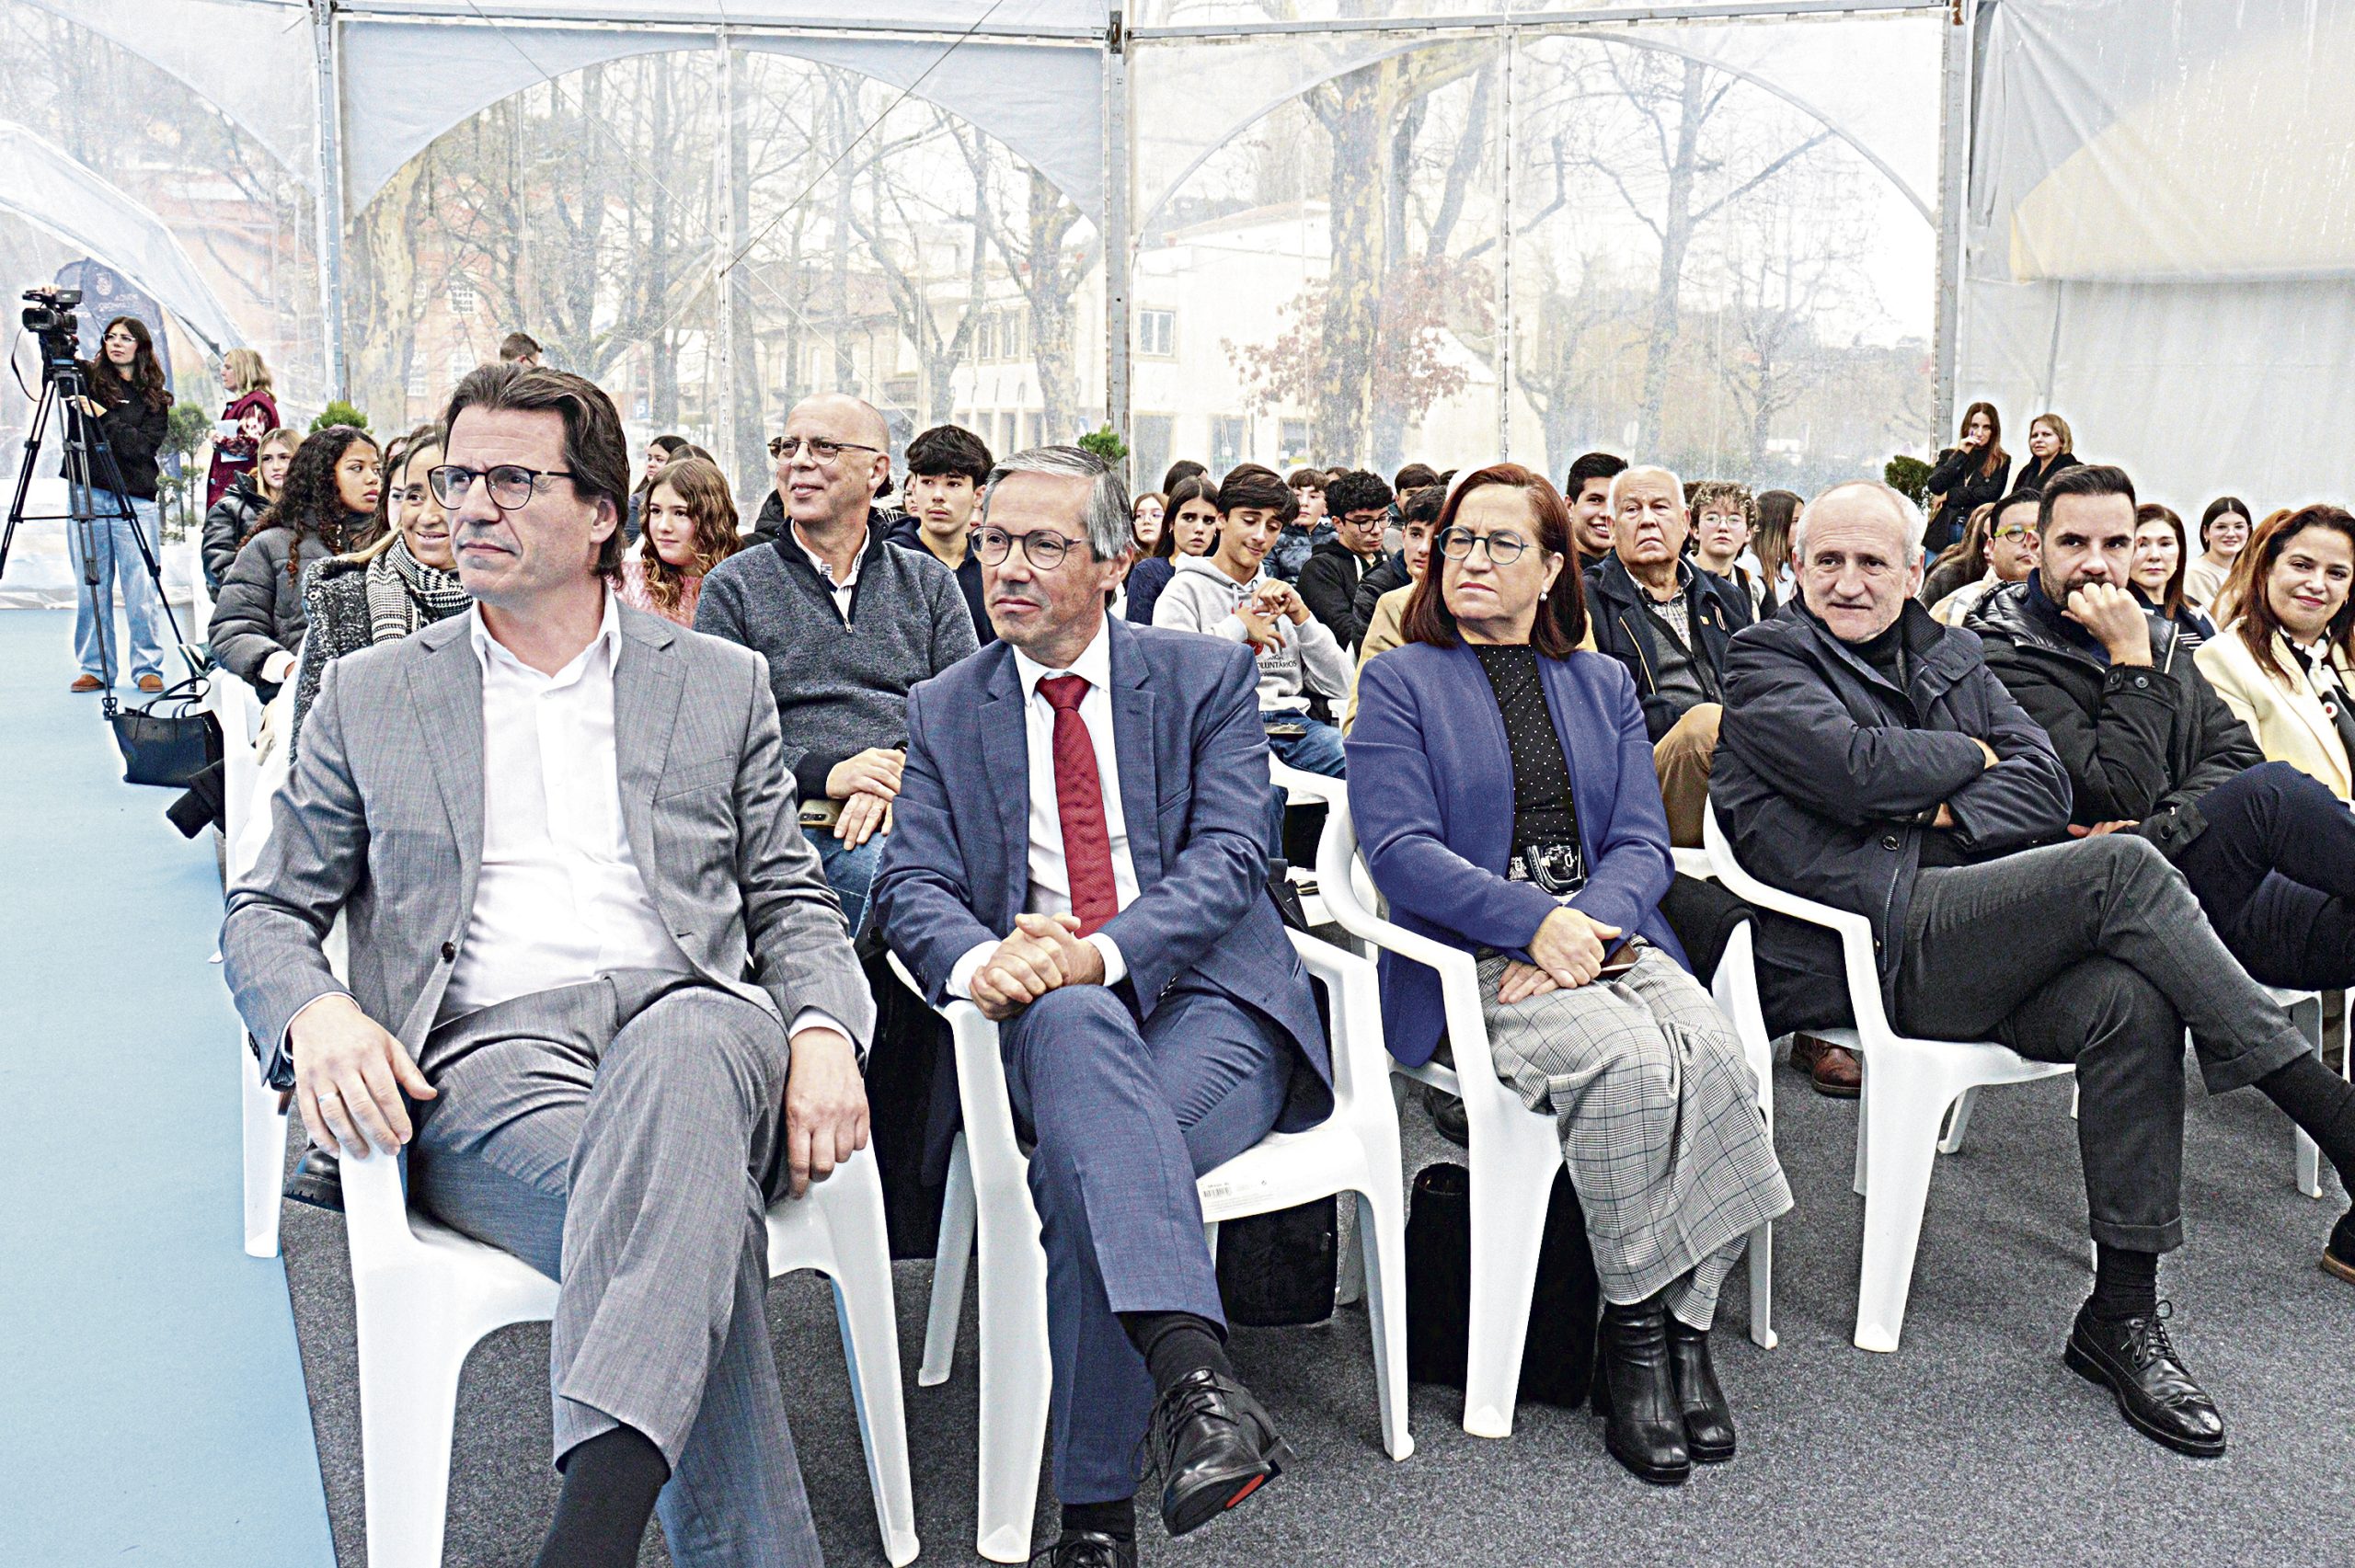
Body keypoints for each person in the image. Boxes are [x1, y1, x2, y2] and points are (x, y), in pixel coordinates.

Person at [224, 361, 873, 1568]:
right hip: (491, 1060)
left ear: (600, 513)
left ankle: (587, 1538)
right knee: (690, 1219)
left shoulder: (717, 681)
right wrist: (316, 1013)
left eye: (513, 481)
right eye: (457, 478)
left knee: (687, 1050)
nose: (471, 505)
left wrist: (827, 1029)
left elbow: (790, 897)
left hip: (700, 1022)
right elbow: (266, 908)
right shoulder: (372, 694)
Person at [1718, 479, 2340, 1459]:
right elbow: (1851, 769)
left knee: (2131, 995)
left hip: (1978, 922)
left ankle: (2120, 1312)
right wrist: (1968, 759)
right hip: (1869, 939)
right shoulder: (1764, 657)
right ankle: (2332, 1113)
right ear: (1795, 567)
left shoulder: (1949, 652)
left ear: (1912, 572)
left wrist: (1940, 794)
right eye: (1827, 561)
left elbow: (2044, 782)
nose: (1848, 581)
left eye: (1872, 561)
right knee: (2124, 865)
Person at [872, 445, 1329, 1568]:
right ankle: (1195, 1382)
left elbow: (1232, 857)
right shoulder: (947, 705)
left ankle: (1095, 1519)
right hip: (1046, 1017)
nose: (1007, 567)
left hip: (1208, 1001)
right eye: (994, 542)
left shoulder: (1201, 676)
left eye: (1043, 544)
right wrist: (983, 962)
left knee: (1084, 1168)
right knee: (1078, 1045)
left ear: (1115, 563)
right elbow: (911, 885)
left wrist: (1102, 952)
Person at [1350, 464, 1789, 1485]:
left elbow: (1640, 842)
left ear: (1552, 568)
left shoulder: (1599, 684)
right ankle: (1633, 1340)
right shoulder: (1402, 680)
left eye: (1502, 543)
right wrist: (1532, 924)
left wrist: (1580, 927)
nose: (1472, 558)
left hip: (1603, 937)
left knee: (1720, 1057)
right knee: (1630, 1062)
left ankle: (1685, 1331)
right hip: (1474, 958)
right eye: (1459, 539)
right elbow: (1400, 851)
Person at [695, 393, 978, 936]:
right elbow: (716, 738)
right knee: (885, 878)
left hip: (910, 809)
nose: (798, 461)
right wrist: (826, 774)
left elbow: (964, 718)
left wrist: (899, 777)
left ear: (877, 471)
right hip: (788, 815)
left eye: (823, 447)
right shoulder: (734, 586)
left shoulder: (928, 583)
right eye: (788, 447)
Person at [1583, 464, 1752, 847]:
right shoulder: (1588, 601)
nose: (1647, 520)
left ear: (1686, 522)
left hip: (1738, 759)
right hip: (1645, 773)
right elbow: (1602, 710)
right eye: (1632, 510)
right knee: (1704, 725)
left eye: (1660, 507)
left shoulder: (1724, 597)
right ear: (1611, 526)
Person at [1154, 463, 1351, 778]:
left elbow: (1343, 686)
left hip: (1291, 727)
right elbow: (1175, 679)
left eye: (1273, 526)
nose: (1261, 536)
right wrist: (1239, 626)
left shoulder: (1280, 594)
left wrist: (1302, 618)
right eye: (1249, 520)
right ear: (1221, 518)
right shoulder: (1183, 590)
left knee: (1370, 764)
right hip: (1221, 730)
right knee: (1260, 792)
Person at [2198, 505, 2355, 816]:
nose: (2317, 583)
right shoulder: (2223, 658)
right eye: (2302, 565)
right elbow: (2250, 793)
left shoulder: (2343, 657)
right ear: (2267, 569)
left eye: (2337, 573)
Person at [210, 425, 383, 699]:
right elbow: (232, 629)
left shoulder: (388, 542)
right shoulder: (270, 545)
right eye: (356, 468)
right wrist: (288, 667)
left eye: (376, 469)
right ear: (322, 475)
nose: (372, 478)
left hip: (381, 693)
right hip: (301, 697)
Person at [59, 315, 173, 694]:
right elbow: (53, 368)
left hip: (134, 497)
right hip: (88, 491)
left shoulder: (155, 399)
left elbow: (141, 447)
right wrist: (53, 331)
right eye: (110, 337)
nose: (116, 343)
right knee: (91, 583)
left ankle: (147, 666)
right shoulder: (87, 379)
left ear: (140, 346)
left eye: (125, 338)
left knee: (140, 587)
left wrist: (102, 416)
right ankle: (95, 666)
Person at [886, 422, 995, 645]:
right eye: (927, 482)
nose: (937, 495)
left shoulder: (993, 564)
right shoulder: (886, 561)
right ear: (914, 489)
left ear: (978, 495)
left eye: (953, 484)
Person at [620, 454, 741, 627]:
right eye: (656, 511)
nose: (663, 526)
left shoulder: (739, 586)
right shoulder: (626, 581)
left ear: (712, 518)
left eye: (680, 513)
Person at [1295, 469, 1392, 648]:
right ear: (1338, 523)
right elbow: (1346, 634)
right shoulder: (1319, 571)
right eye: (1364, 521)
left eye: (1383, 518)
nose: (1377, 530)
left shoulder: (1390, 561)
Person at [203, 426, 296, 595]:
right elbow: (218, 569)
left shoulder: (316, 509)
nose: (276, 466)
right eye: (267, 459)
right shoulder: (228, 508)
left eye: (284, 457)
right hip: (247, 604)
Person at [1930, 491, 2041, 626]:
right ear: (1991, 548)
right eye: (2015, 532)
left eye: (2041, 531)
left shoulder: (2064, 612)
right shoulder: (1959, 608)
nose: (2030, 541)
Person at [1124, 474, 1218, 627]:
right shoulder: (1149, 573)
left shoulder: (1221, 576)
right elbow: (1138, 636)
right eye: (1189, 518)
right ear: (1171, 523)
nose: (1199, 528)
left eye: (1208, 520)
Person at [1924, 401, 2012, 555]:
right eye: (1975, 426)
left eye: (1986, 427)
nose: (1979, 433)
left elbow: (1990, 494)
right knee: (1933, 570)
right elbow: (1935, 485)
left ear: (1993, 431)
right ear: (1967, 427)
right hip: (1942, 532)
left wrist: (1949, 495)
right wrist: (1961, 454)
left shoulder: (2000, 461)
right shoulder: (1949, 455)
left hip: (1975, 534)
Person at [205, 348, 281, 511]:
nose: (222, 372)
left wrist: (218, 439)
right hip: (239, 498)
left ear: (245, 370)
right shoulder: (250, 403)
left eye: (228, 367)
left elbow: (248, 445)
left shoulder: (254, 404)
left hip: (243, 500)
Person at [2130, 502, 2216, 642]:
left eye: (2165, 544)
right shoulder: (2114, 617)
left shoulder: (2197, 611)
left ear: (2180, 552)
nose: (2154, 555)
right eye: (2142, 545)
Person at [1691, 480, 1776, 619]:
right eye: (1712, 518)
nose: (1723, 527)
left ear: (1748, 533)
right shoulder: (1676, 580)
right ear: (1695, 529)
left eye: (1734, 519)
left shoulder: (1755, 588)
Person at [2184, 496, 2254, 610]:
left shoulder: (2248, 573)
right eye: (2221, 527)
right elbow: (2210, 619)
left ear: (2248, 531)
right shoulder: (2195, 573)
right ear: (2206, 532)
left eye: (2238, 527)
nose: (2231, 534)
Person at [1265, 466, 1332, 582]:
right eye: (1297, 495)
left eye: (1313, 497)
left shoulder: (1338, 539)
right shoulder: (1275, 537)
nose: (1303, 503)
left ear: (1326, 506)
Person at [625, 432, 691, 544]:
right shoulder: (637, 502)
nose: (651, 464)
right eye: (649, 458)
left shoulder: (694, 497)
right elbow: (631, 542)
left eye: (659, 460)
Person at [1565, 452, 1627, 561]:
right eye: (1596, 500)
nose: (1608, 513)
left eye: (1616, 502)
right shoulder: (1548, 566)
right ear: (1569, 506)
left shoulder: (1636, 565)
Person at [2009, 411, 2080, 498]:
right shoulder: (2027, 471)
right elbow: (2012, 500)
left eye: (2046, 434)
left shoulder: (2073, 472)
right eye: (2034, 435)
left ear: (2062, 441)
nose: (2038, 440)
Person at [1754, 487, 1801, 605]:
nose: (1802, 527)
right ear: (1775, 525)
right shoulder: (1751, 565)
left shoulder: (1792, 566)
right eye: (1795, 521)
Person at [1131, 490, 1166, 555]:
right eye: (1139, 516)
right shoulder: (1126, 559)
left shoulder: (1180, 559)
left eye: (1155, 515)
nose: (1146, 521)